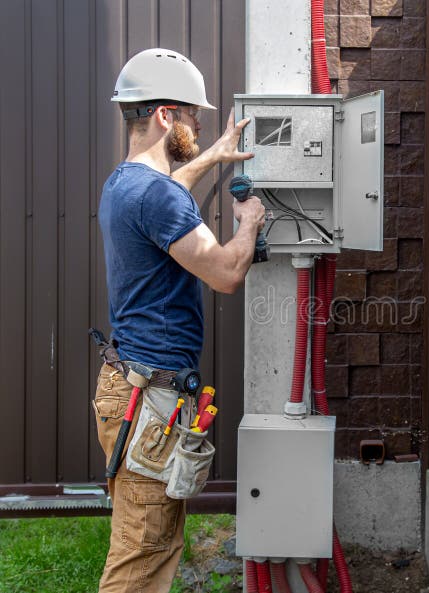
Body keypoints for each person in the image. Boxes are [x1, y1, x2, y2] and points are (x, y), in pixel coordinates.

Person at [93, 48, 265, 592]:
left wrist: (211, 157)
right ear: (166, 115)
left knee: (151, 544)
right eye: (192, 115)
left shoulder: (124, 184)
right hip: (152, 402)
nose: (197, 123)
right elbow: (225, 273)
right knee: (141, 560)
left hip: (128, 388)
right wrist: (250, 223)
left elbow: (166, 196)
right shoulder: (157, 196)